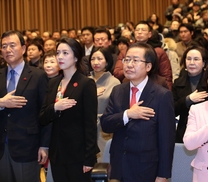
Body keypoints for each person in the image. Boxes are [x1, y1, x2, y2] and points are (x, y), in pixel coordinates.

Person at [101, 42, 175, 182]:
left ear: (148, 66)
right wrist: (127, 114)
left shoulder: (162, 95)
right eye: (127, 59)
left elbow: (166, 140)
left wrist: (163, 175)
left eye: (135, 60)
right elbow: (106, 124)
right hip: (119, 168)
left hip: (146, 169)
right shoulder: (118, 90)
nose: (129, 64)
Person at [39, 38, 98, 182]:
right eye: (58, 53)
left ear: (76, 56)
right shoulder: (53, 83)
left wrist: (89, 157)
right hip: (57, 153)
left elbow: (90, 123)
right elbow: (42, 117)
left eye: (65, 53)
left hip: (78, 154)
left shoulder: (86, 83)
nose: (60, 57)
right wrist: (55, 107)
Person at [0, 30, 49, 182]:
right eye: (4, 46)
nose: (8, 50)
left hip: (27, 146)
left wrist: (44, 145)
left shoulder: (38, 75)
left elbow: (45, 113)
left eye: (12, 45)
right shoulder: (0, 74)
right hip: (2, 147)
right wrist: (1, 102)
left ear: (23, 48)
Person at [88, 47, 120, 162]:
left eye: (100, 59)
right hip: (86, 129)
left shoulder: (114, 82)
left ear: (107, 61)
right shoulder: (85, 80)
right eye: (93, 59)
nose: (96, 62)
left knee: (104, 165)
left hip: (104, 131)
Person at [173, 45, 208, 143]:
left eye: (196, 59)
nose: (192, 63)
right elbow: (172, 110)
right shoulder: (178, 82)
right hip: (183, 130)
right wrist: (188, 99)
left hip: (206, 130)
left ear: (204, 63)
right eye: (188, 59)